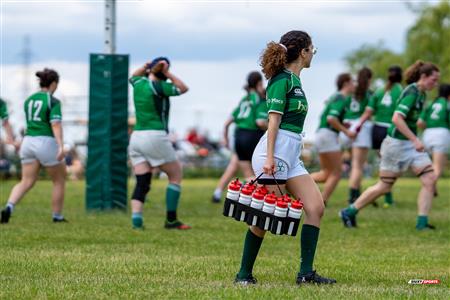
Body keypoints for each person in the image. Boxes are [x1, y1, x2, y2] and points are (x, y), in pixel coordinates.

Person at [234, 30, 336, 286]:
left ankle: (306, 274)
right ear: (303, 51)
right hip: (275, 154)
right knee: (264, 217)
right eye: (312, 49)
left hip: (290, 155)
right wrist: (269, 159)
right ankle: (243, 275)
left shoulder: (295, 80)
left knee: (315, 208)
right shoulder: (282, 80)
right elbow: (273, 122)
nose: (313, 54)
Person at [340, 61, 440, 230]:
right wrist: (415, 140)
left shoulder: (422, 93)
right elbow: (396, 119)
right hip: (395, 144)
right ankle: (349, 211)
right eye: (433, 79)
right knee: (384, 186)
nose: (435, 84)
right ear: (423, 76)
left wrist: (414, 139)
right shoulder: (412, 92)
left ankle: (422, 223)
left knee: (429, 179)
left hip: (410, 144)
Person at [128, 57, 190, 230]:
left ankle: (136, 220)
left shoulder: (139, 83)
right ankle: (171, 220)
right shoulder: (159, 87)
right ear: (163, 73)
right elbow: (183, 88)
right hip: (154, 135)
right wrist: (166, 72)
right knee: (176, 175)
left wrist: (147, 66)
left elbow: (133, 76)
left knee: (142, 180)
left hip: (136, 137)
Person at [1, 68, 67, 224]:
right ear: (53, 83)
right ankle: (57, 216)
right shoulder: (53, 101)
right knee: (59, 180)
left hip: (28, 141)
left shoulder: (29, 100)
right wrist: (60, 146)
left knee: (26, 181)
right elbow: (55, 124)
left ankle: (9, 207)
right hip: (46, 141)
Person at [356, 66, 403, 207]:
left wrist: (357, 125)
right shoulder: (401, 91)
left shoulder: (380, 90)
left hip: (376, 130)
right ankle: (386, 196)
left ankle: (378, 192)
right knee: (392, 166)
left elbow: (368, 111)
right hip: (390, 130)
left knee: (385, 165)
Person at [311, 73, 356, 204]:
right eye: (353, 82)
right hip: (328, 135)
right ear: (346, 83)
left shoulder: (334, 97)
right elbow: (331, 118)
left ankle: (292, 183)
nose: (355, 85)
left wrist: (342, 126)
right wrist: (347, 131)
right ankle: (322, 200)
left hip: (321, 134)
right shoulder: (341, 98)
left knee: (326, 174)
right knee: (337, 172)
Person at [339, 67, 373, 204]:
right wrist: (357, 126)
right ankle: (353, 197)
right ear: (369, 79)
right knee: (358, 165)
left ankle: (357, 193)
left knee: (354, 163)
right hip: (360, 128)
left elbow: (343, 109)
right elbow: (368, 112)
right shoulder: (368, 93)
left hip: (346, 127)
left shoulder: (351, 92)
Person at [223, 72, 267, 179]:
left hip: (238, 136)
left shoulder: (244, 99)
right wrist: (274, 128)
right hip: (252, 136)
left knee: (248, 175)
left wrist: (225, 139)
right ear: (259, 83)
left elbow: (227, 123)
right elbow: (260, 122)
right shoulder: (259, 98)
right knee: (259, 174)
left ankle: (240, 193)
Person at [417, 83, 450, 185]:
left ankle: (431, 188)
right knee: (438, 168)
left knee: (429, 166)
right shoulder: (447, 104)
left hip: (427, 134)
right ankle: (428, 187)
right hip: (442, 134)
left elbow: (420, 122)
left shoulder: (431, 103)